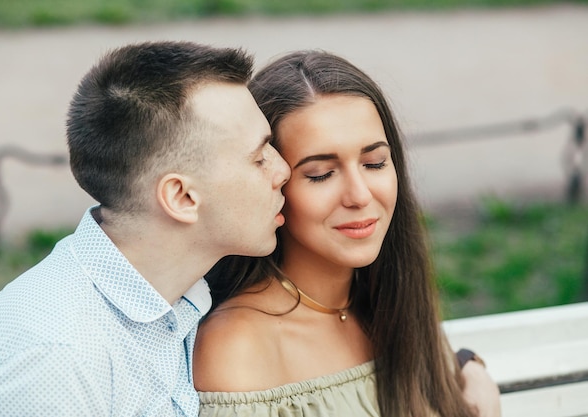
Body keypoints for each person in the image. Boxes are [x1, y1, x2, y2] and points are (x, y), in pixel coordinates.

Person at [0, 41, 290, 416]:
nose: (283, 171)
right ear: (181, 197)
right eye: (260, 157)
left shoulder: (183, 292)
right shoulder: (53, 361)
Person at [193, 50, 501, 417]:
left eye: (374, 163)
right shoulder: (238, 348)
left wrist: (472, 371)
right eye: (321, 173)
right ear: (271, 182)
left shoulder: (391, 303)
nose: (360, 195)